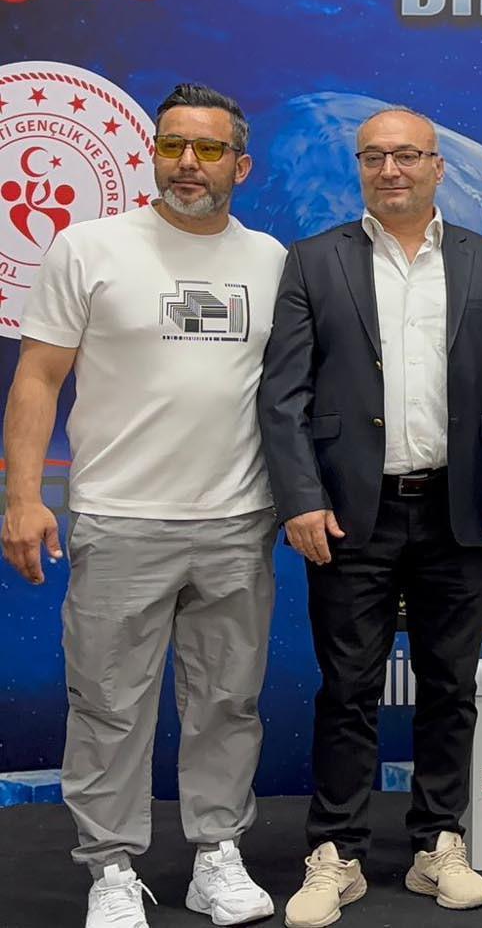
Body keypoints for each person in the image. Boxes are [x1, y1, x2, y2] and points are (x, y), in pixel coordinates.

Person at [1, 84, 285, 928]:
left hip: (236, 520)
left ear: (241, 164)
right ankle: (112, 867)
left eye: (208, 149)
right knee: (108, 705)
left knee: (227, 702)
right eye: (171, 146)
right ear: (152, 153)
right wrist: (23, 496)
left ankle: (215, 855)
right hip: (119, 518)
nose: (187, 163)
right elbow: (37, 378)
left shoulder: (271, 259)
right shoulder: (88, 247)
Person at [260, 108, 482, 924]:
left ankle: (438, 843)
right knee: (348, 686)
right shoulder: (314, 261)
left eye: (408, 155)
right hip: (351, 515)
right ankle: (336, 852)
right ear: (359, 166)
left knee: (450, 684)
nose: (392, 170)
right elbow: (282, 395)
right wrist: (300, 498)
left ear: (437, 166)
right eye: (376, 156)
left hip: (460, 509)